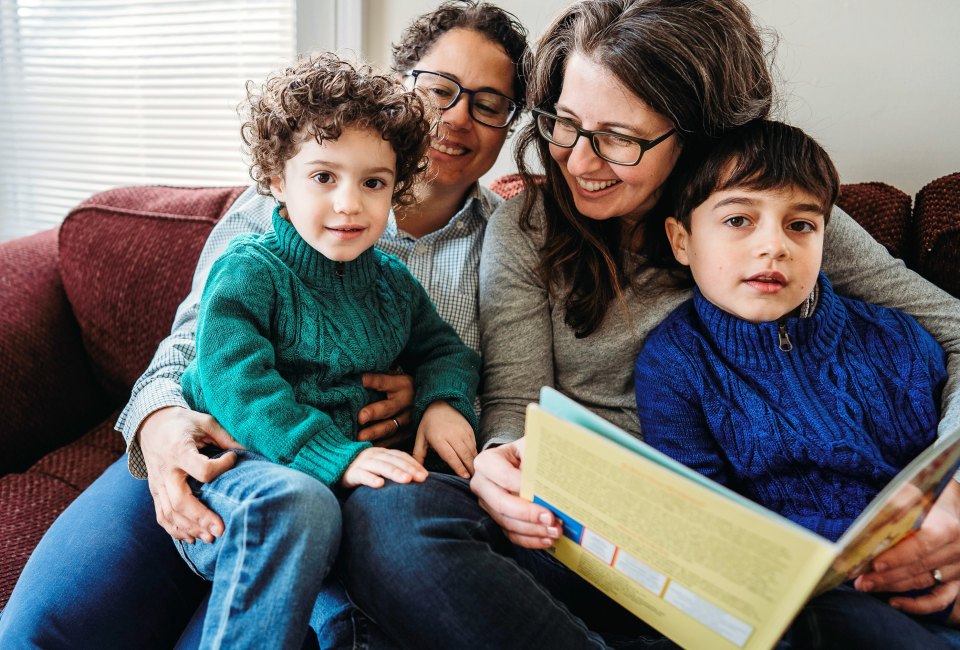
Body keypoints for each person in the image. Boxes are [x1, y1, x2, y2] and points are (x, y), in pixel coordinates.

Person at [338, 0, 960, 648]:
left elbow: (953, 330)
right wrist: (501, 462)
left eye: (619, 139)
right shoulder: (527, 227)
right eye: (565, 124)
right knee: (390, 517)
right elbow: (513, 404)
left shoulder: (768, 210)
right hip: (579, 529)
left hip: (737, 533)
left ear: (696, 135)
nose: (579, 160)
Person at [0, 2, 529, 648]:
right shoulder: (273, 226)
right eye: (439, 88)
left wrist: (437, 399)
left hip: (340, 487)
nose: (455, 115)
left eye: (488, 101)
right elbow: (207, 347)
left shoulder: (500, 242)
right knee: (33, 633)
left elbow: (476, 371)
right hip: (230, 446)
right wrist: (159, 419)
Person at [173, 52, 482, 648]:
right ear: (274, 179)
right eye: (323, 177)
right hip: (241, 482)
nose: (349, 203)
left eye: (374, 183)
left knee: (351, 627)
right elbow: (236, 383)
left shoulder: (394, 284)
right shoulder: (250, 271)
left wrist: (442, 401)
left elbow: (446, 350)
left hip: (339, 491)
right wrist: (330, 454)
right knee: (300, 505)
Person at [634, 119, 958, 642]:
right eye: (739, 219)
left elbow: (942, 469)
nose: (774, 247)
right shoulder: (674, 364)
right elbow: (703, 517)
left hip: (931, 576)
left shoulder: (899, 340)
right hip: (806, 596)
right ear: (681, 240)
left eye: (800, 225)